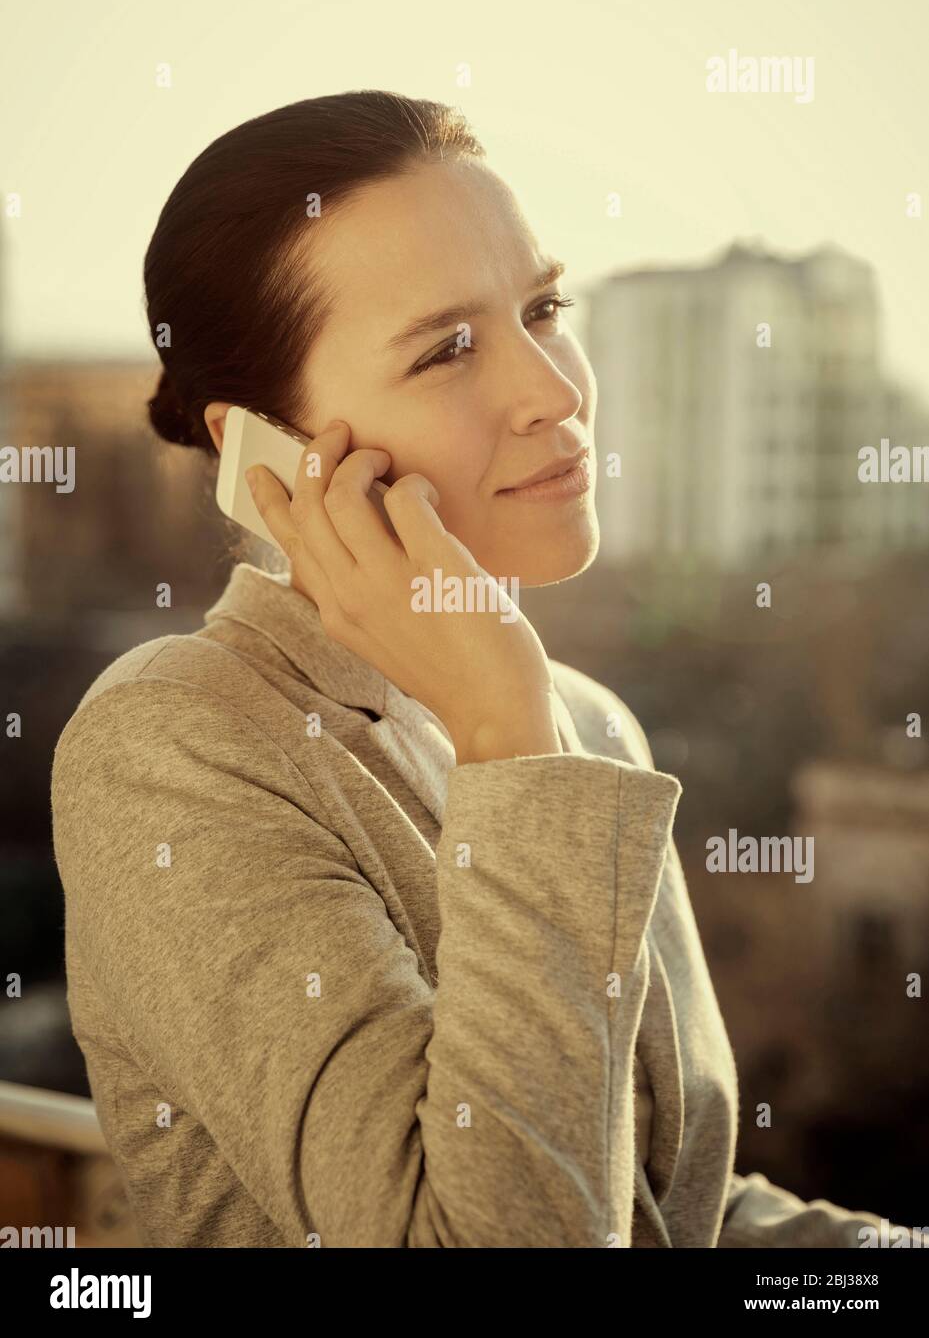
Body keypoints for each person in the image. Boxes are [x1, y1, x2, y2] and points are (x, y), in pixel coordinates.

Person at [50, 90, 905, 1248]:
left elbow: (665, 1206)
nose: (555, 393)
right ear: (266, 454)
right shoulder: (175, 744)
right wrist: (507, 736)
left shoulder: (582, 724)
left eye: (544, 307)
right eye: (447, 347)